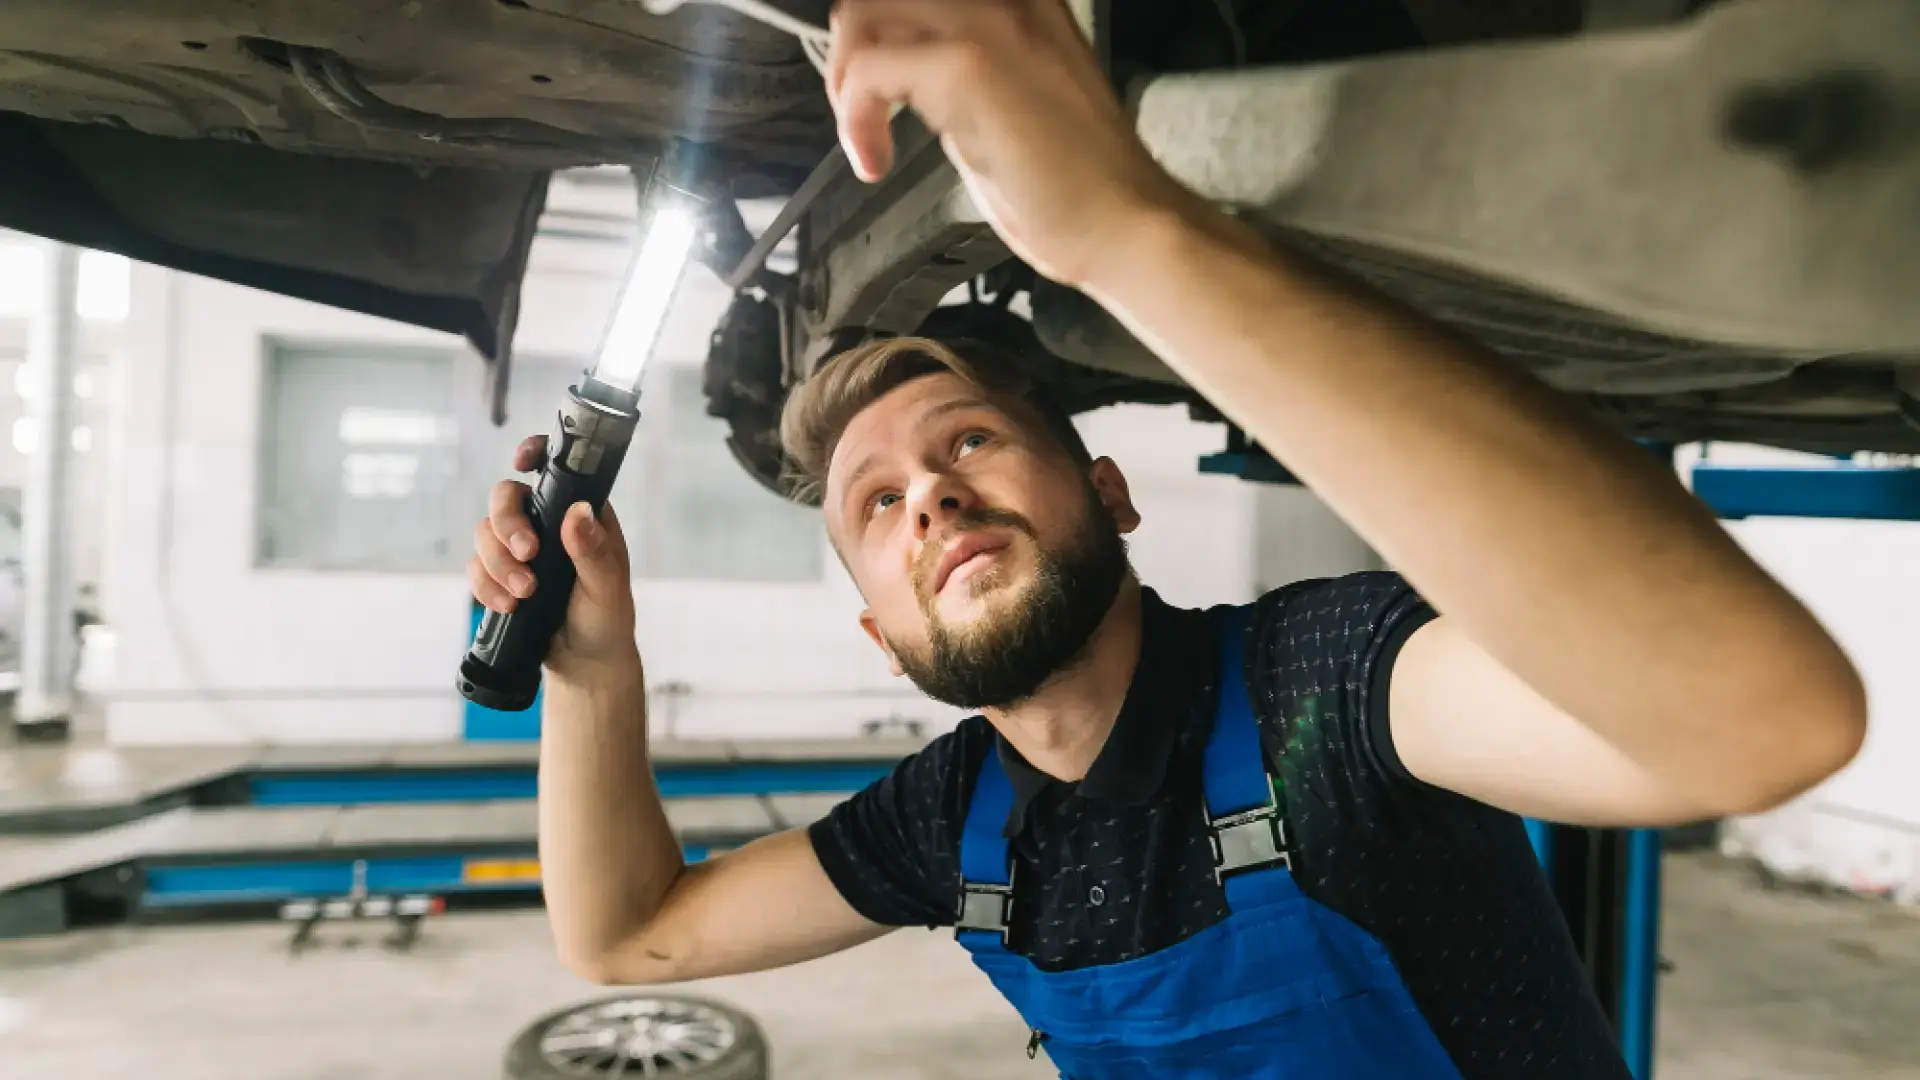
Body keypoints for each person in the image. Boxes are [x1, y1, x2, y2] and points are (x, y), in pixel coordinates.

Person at [469, 1, 1867, 1076]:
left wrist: (1127, 231)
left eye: (967, 444)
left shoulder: (1325, 686)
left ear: (1112, 494)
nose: (932, 502)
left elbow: (1757, 724)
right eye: (875, 508)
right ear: (882, 637)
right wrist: (596, 670)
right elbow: (627, 932)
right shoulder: (953, 819)